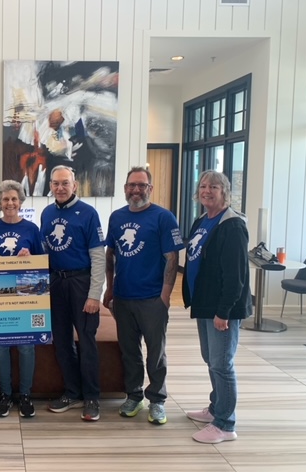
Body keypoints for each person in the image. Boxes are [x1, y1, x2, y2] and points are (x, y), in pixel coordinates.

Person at [103, 167, 183, 426]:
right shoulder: (116, 217)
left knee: (156, 352)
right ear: (125, 188)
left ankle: (157, 400)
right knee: (129, 351)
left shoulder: (163, 217)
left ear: (150, 188)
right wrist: (110, 288)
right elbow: (110, 254)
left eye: (141, 185)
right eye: (131, 185)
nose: (135, 190)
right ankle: (134, 395)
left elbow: (172, 257)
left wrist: (165, 295)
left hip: (152, 298)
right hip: (124, 297)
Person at [183, 170, 251, 444]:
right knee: (210, 359)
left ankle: (225, 423)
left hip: (222, 308)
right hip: (205, 303)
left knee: (222, 363)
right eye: (203, 186)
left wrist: (224, 312)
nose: (206, 191)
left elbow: (236, 276)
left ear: (225, 192)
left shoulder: (232, 225)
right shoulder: (202, 220)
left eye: (213, 187)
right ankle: (215, 408)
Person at [40, 165, 105, 421]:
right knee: (62, 342)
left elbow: (98, 256)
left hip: (81, 282)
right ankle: (73, 392)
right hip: (56, 282)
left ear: (74, 185)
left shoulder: (88, 213)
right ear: (50, 186)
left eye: (65, 183)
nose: (60, 187)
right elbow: (44, 250)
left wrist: (94, 295)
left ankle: (92, 397)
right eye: (55, 183)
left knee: (87, 341)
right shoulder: (46, 213)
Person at [0, 180, 44, 418]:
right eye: (5, 199)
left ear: (20, 202)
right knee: (0, 347)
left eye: (14, 199)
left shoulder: (31, 229)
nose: (10, 203)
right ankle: (6, 395)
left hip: (27, 292)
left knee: (26, 346)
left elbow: (41, 263)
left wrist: (29, 256)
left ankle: (25, 395)